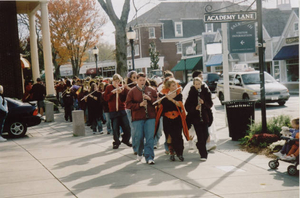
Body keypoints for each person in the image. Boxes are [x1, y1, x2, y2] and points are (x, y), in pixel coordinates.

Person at [126, 72, 157, 164]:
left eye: (144, 80)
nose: (142, 82)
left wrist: (150, 99)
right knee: (139, 137)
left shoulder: (151, 90)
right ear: (136, 80)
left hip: (150, 117)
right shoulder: (132, 91)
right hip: (138, 118)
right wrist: (139, 105)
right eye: (140, 80)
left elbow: (157, 101)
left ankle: (149, 157)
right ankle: (139, 152)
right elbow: (128, 104)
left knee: (150, 138)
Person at [155, 78, 189, 162]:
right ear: (168, 87)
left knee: (178, 136)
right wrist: (158, 102)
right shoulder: (163, 96)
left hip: (177, 118)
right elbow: (160, 107)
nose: (175, 87)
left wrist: (171, 99)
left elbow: (180, 105)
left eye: (175, 85)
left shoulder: (179, 95)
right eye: (173, 85)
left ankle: (180, 153)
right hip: (167, 119)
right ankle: (172, 153)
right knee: (169, 136)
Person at [182, 70, 217, 151]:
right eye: (200, 76)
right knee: (192, 128)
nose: (202, 77)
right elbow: (184, 96)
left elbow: (208, 96)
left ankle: (206, 143)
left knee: (206, 127)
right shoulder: (189, 86)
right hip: (193, 110)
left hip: (204, 110)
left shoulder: (203, 85)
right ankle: (191, 142)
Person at [185, 77, 213, 161]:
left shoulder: (205, 91)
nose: (198, 86)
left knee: (205, 135)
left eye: (199, 84)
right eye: (196, 84)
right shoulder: (192, 92)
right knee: (200, 136)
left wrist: (204, 103)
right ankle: (203, 154)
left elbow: (210, 104)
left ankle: (199, 145)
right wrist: (195, 108)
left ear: (201, 84)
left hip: (205, 117)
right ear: (193, 85)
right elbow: (187, 106)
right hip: (196, 118)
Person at [103, 74, 132, 149]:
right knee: (115, 128)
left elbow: (127, 96)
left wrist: (121, 91)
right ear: (113, 81)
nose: (117, 83)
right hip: (113, 110)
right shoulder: (109, 87)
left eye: (118, 81)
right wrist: (112, 93)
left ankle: (126, 139)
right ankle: (116, 142)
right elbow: (105, 98)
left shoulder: (122, 87)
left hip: (122, 109)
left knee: (127, 126)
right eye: (115, 81)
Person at [124, 71, 138, 154]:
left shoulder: (140, 85)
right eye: (134, 77)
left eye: (137, 77)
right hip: (130, 110)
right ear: (130, 79)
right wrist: (122, 90)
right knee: (133, 129)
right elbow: (124, 99)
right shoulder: (127, 88)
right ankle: (135, 148)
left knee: (140, 129)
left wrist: (129, 89)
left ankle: (140, 147)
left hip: (139, 109)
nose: (136, 79)